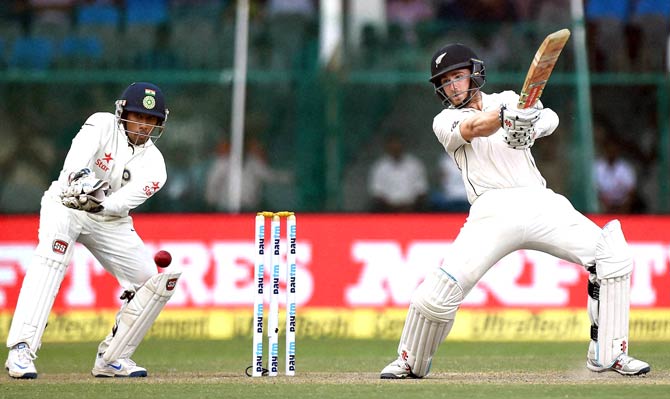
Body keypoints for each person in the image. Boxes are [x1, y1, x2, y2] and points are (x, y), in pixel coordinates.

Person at [379, 44, 650, 379]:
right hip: (491, 211)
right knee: (439, 294)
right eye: (445, 81)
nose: (452, 86)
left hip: (538, 200)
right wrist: (506, 118)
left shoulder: (507, 97)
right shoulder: (445, 120)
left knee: (612, 256)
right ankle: (410, 360)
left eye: (458, 77)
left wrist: (530, 124)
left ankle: (609, 354)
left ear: (474, 73)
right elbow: (475, 128)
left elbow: (550, 117)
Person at [4, 82, 182, 379]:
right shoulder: (101, 124)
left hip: (109, 220)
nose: (144, 126)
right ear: (123, 112)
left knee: (152, 283)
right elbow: (75, 162)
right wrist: (80, 180)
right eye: (139, 117)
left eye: (151, 121)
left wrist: (100, 204)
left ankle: (113, 357)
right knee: (51, 260)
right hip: (67, 204)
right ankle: (21, 349)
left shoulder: (155, 166)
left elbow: (119, 203)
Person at [368, 134, 429, 212]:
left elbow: (421, 190)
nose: (395, 148)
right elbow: (377, 192)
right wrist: (390, 206)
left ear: (403, 146)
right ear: (387, 147)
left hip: (411, 207)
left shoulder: (415, 164)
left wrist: (410, 206)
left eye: (398, 145)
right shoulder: (380, 167)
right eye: (393, 146)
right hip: (387, 208)